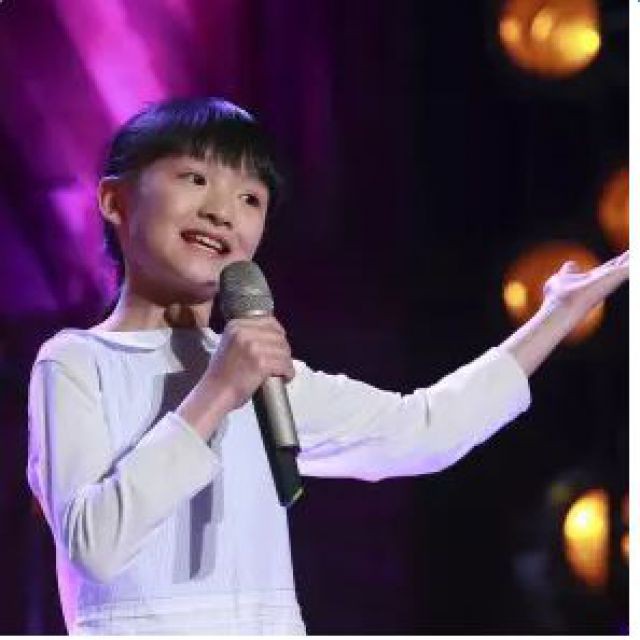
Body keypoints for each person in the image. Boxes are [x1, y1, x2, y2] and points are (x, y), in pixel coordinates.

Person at [26, 97, 629, 635]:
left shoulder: (259, 373)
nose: (222, 211)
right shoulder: (76, 362)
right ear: (115, 200)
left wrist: (557, 314)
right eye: (195, 178)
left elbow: (424, 429)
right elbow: (94, 544)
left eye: (250, 198)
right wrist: (217, 391)